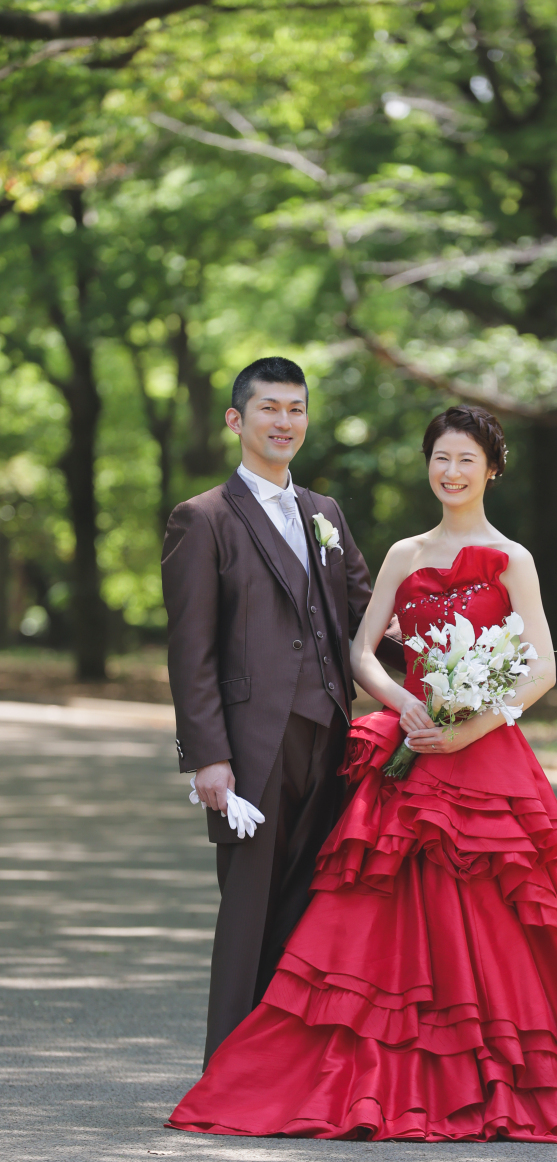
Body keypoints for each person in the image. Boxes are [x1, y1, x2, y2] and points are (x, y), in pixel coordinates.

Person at [166, 404, 557, 1141]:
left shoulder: (513, 558)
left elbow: (542, 668)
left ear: (490, 469)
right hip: (413, 744)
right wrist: (406, 705)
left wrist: (476, 724)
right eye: (440, 458)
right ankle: (363, 1076)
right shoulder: (403, 553)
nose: (451, 472)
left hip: (485, 753)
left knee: (505, 926)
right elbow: (362, 648)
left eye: (466, 460)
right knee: (377, 922)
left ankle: (506, 1073)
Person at [161, 356, 403, 1069]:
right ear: (238, 420)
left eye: (296, 409)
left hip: (331, 738)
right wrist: (207, 757)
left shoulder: (325, 513)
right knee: (248, 915)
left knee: (308, 911)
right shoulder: (201, 519)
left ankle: (290, 1075)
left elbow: (366, 614)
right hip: (249, 748)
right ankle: (228, 1077)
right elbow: (191, 649)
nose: (284, 422)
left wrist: (445, 652)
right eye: (269, 408)